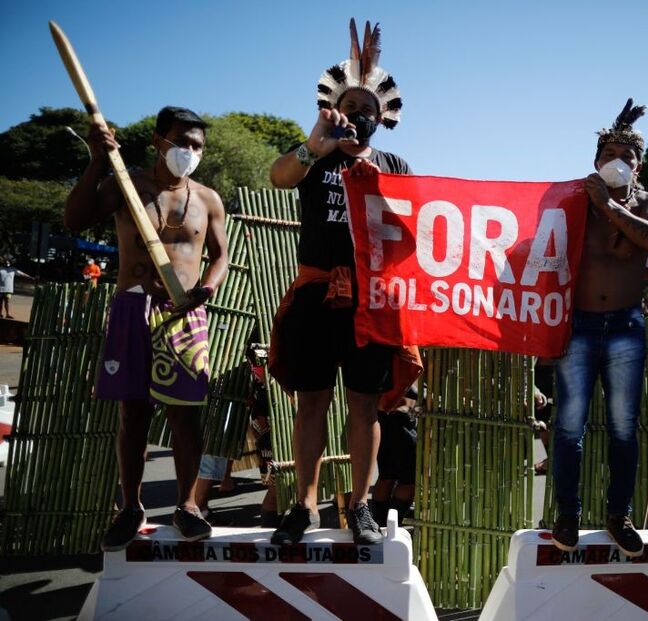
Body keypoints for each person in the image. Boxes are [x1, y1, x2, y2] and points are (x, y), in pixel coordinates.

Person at [268, 20, 416, 546]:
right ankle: (304, 505)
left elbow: (413, 231)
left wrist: (376, 181)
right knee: (311, 402)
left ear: (382, 117)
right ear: (334, 108)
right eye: (350, 105)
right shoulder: (315, 152)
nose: (359, 113)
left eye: (367, 107)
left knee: (363, 404)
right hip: (316, 295)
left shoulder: (394, 164)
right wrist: (315, 145)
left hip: (370, 300)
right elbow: (278, 177)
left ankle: (360, 506)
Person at [64, 106, 229, 550]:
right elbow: (75, 220)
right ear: (159, 142)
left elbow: (220, 256)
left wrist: (207, 288)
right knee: (133, 413)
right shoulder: (127, 184)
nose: (190, 151)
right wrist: (97, 161)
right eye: (183, 142)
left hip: (184, 314)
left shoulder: (208, 199)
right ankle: (131, 508)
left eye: (197, 146)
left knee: (186, 415)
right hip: (132, 307)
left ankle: (187, 505)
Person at [550, 98, 648, 556]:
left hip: (625, 325)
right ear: (595, 162)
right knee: (568, 427)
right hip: (577, 324)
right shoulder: (573, 201)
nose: (617, 162)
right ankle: (567, 515)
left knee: (623, 428)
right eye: (609, 155)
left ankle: (619, 515)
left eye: (627, 157)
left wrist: (609, 205)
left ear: (639, 166)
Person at [370, 386, 418, 527]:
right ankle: (390, 526)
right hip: (399, 418)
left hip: (382, 415)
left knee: (387, 476)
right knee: (408, 481)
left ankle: (381, 524)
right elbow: (407, 387)